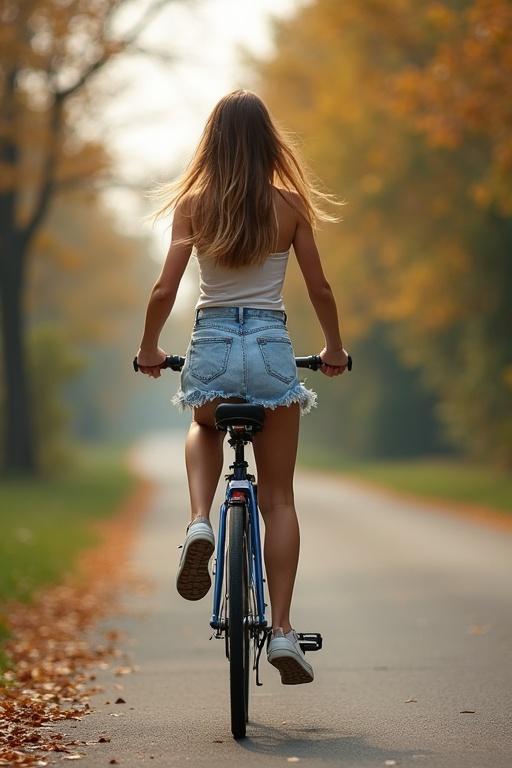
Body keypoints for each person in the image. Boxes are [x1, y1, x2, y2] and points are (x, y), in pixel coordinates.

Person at [135, 89, 349, 685]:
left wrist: (150, 347)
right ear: (268, 142)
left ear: (213, 143)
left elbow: (163, 291)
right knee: (278, 498)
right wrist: (332, 348)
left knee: (202, 425)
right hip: (272, 349)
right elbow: (321, 289)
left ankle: (201, 519)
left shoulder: (194, 208)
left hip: (212, 348)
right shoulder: (289, 205)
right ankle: (281, 630)